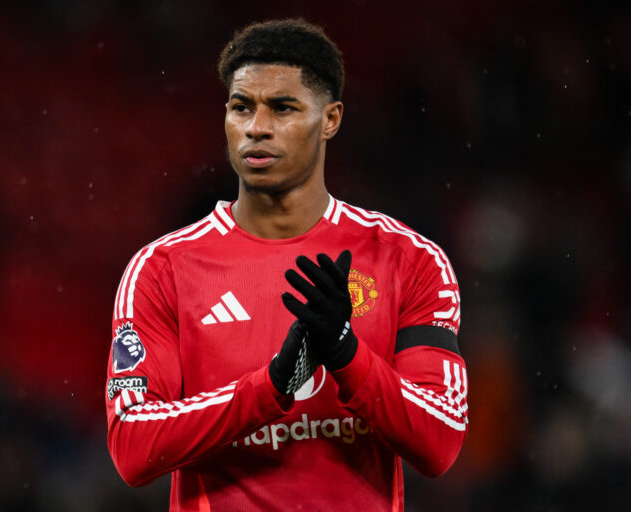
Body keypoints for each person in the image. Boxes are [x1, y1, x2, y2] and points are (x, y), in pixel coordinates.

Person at [105, 18, 468, 511]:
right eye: (241, 107)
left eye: (282, 108)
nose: (256, 127)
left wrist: (344, 354)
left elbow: (440, 443)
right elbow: (132, 448)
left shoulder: (409, 260)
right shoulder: (162, 269)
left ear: (331, 119)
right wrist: (273, 385)